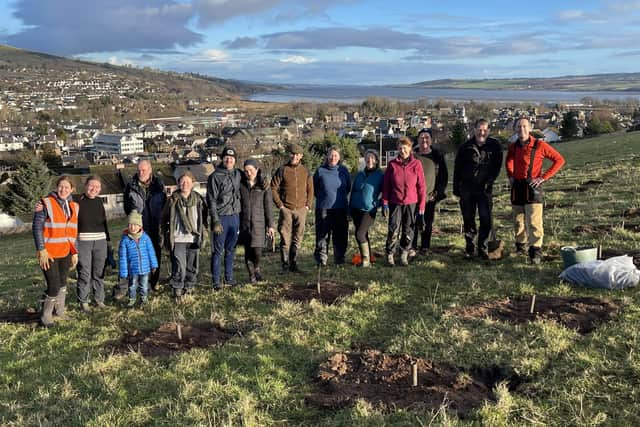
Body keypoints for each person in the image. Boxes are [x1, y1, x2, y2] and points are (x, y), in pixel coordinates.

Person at [506, 117, 565, 264]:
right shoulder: (513, 146)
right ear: (515, 129)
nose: (522, 129)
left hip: (533, 188)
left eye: (525, 126)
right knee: (518, 221)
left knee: (534, 222)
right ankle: (520, 249)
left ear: (530, 128)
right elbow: (508, 161)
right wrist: (510, 175)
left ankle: (535, 252)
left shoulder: (540, 145)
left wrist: (543, 177)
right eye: (519, 127)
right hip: (517, 187)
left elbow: (559, 160)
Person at [32, 176, 79, 327]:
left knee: (63, 283)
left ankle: (60, 311)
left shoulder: (73, 206)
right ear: (56, 187)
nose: (63, 190)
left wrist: (74, 252)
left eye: (67, 187)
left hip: (65, 252)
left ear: (72, 189)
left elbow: (72, 231)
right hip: (49, 253)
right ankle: (46, 316)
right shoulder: (46, 203)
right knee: (53, 285)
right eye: (61, 186)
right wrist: (41, 249)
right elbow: (37, 227)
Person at [453, 119, 503, 259]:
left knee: (485, 218)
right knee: (468, 219)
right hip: (467, 189)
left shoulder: (495, 146)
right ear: (474, 130)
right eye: (479, 130)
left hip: (485, 189)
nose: (482, 132)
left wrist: (490, 181)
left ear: (488, 131)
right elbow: (457, 168)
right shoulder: (465, 147)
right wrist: (456, 188)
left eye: (485, 130)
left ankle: (483, 248)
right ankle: (470, 248)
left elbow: (497, 167)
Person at [160, 171, 208, 301]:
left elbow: (203, 218)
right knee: (179, 266)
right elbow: (163, 219)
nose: (185, 184)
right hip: (178, 238)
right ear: (178, 183)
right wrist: (163, 235)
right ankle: (177, 289)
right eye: (182, 181)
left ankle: (189, 287)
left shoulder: (198, 199)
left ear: (192, 183)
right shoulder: (172, 200)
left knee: (192, 266)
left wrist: (204, 232)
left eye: (188, 181)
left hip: (194, 238)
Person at [122, 159, 166, 294]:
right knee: (140, 255)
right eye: (139, 170)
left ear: (150, 170)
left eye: (144, 170)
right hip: (140, 227)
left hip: (156, 225)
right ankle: (143, 283)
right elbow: (126, 206)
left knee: (156, 253)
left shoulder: (159, 184)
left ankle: (155, 282)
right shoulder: (131, 186)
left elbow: (164, 204)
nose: (141, 172)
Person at [381, 136, 426, 266]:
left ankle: (404, 253)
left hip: (411, 203)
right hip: (395, 202)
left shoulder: (416, 164)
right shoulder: (392, 165)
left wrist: (421, 208)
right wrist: (384, 202)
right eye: (400, 148)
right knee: (393, 228)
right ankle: (390, 254)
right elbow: (386, 186)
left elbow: (421, 187)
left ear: (410, 148)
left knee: (408, 230)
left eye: (405, 148)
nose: (402, 151)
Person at [270, 143, 314, 273]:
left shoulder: (305, 171)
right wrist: (280, 205)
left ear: (301, 156)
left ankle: (293, 264)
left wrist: (308, 206)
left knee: (298, 237)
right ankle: (284, 265)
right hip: (286, 209)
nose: (294, 156)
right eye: (292, 154)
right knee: (285, 236)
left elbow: (310, 189)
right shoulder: (282, 170)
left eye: (297, 154)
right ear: (289, 155)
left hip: (301, 209)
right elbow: (273, 188)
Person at [207, 146, 242, 290]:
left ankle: (229, 278)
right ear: (222, 159)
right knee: (217, 251)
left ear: (235, 161)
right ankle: (216, 281)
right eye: (227, 158)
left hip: (235, 216)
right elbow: (211, 200)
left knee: (231, 249)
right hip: (221, 217)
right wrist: (215, 220)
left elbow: (253, 176)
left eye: (232, 158)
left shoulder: (238, 174)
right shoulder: (215, 176)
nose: (229, 160)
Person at [313, 146, 351, 267]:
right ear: (327, 156)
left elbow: (348, 187)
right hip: (324, 208)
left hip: (340, 208)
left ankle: (339, 258)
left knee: (340, 234)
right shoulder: (320, 171)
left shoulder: (343, 171)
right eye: (330, 155)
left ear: (339, 157)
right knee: (322, 235)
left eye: (335, 155)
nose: (333, 158)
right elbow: (315, 188)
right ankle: (321, 259)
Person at [412, 128, 448, 254]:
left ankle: (425, 247)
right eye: (421, 137)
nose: (424, 140)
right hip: (413, 196)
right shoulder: (412, 155)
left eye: (427, 137)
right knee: (413, 222)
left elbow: (444, 176)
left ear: (431, 140)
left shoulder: (437, 156)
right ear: (417, 140)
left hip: (430, 196)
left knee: (427, 223)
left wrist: (438, 192)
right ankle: (412, 246)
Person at [239, 159, 275, 283]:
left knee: (257, 251)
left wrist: (270, 225)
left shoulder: (264, 185)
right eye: (246, 171)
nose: (249, 173)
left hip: (259, 223)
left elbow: (268, 206)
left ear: (257, 170)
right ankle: (251, 275)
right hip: (244, 223)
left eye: (251, 170)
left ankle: (257, 267)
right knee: (248, 250)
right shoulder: (241, 185)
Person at [349, 149, 384, 267]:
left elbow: (386, 193)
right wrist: (349, 210)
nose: (369, 160)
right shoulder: (359, 174)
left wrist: (377, 204)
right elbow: (353, 192)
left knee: (360, 234)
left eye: (372, 158)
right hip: (355, 209)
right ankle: (370, 257)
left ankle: (365, 260)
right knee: (363, 235)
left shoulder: (380, 175)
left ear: (376, 160)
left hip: (369, 211)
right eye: (367, 158)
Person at [119, 211, 158, 307]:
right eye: (130, 225)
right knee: (132, 286)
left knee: (144, 286)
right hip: (133, 269)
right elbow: (123, 257)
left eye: (135, 225)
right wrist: (124, 272)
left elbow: (151, 252)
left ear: (140, 226)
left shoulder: (146, 238)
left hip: (145, 269)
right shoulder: (125, 240)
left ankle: (143, 299)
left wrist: (154, 264)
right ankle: (132, 299)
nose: (133, 227)